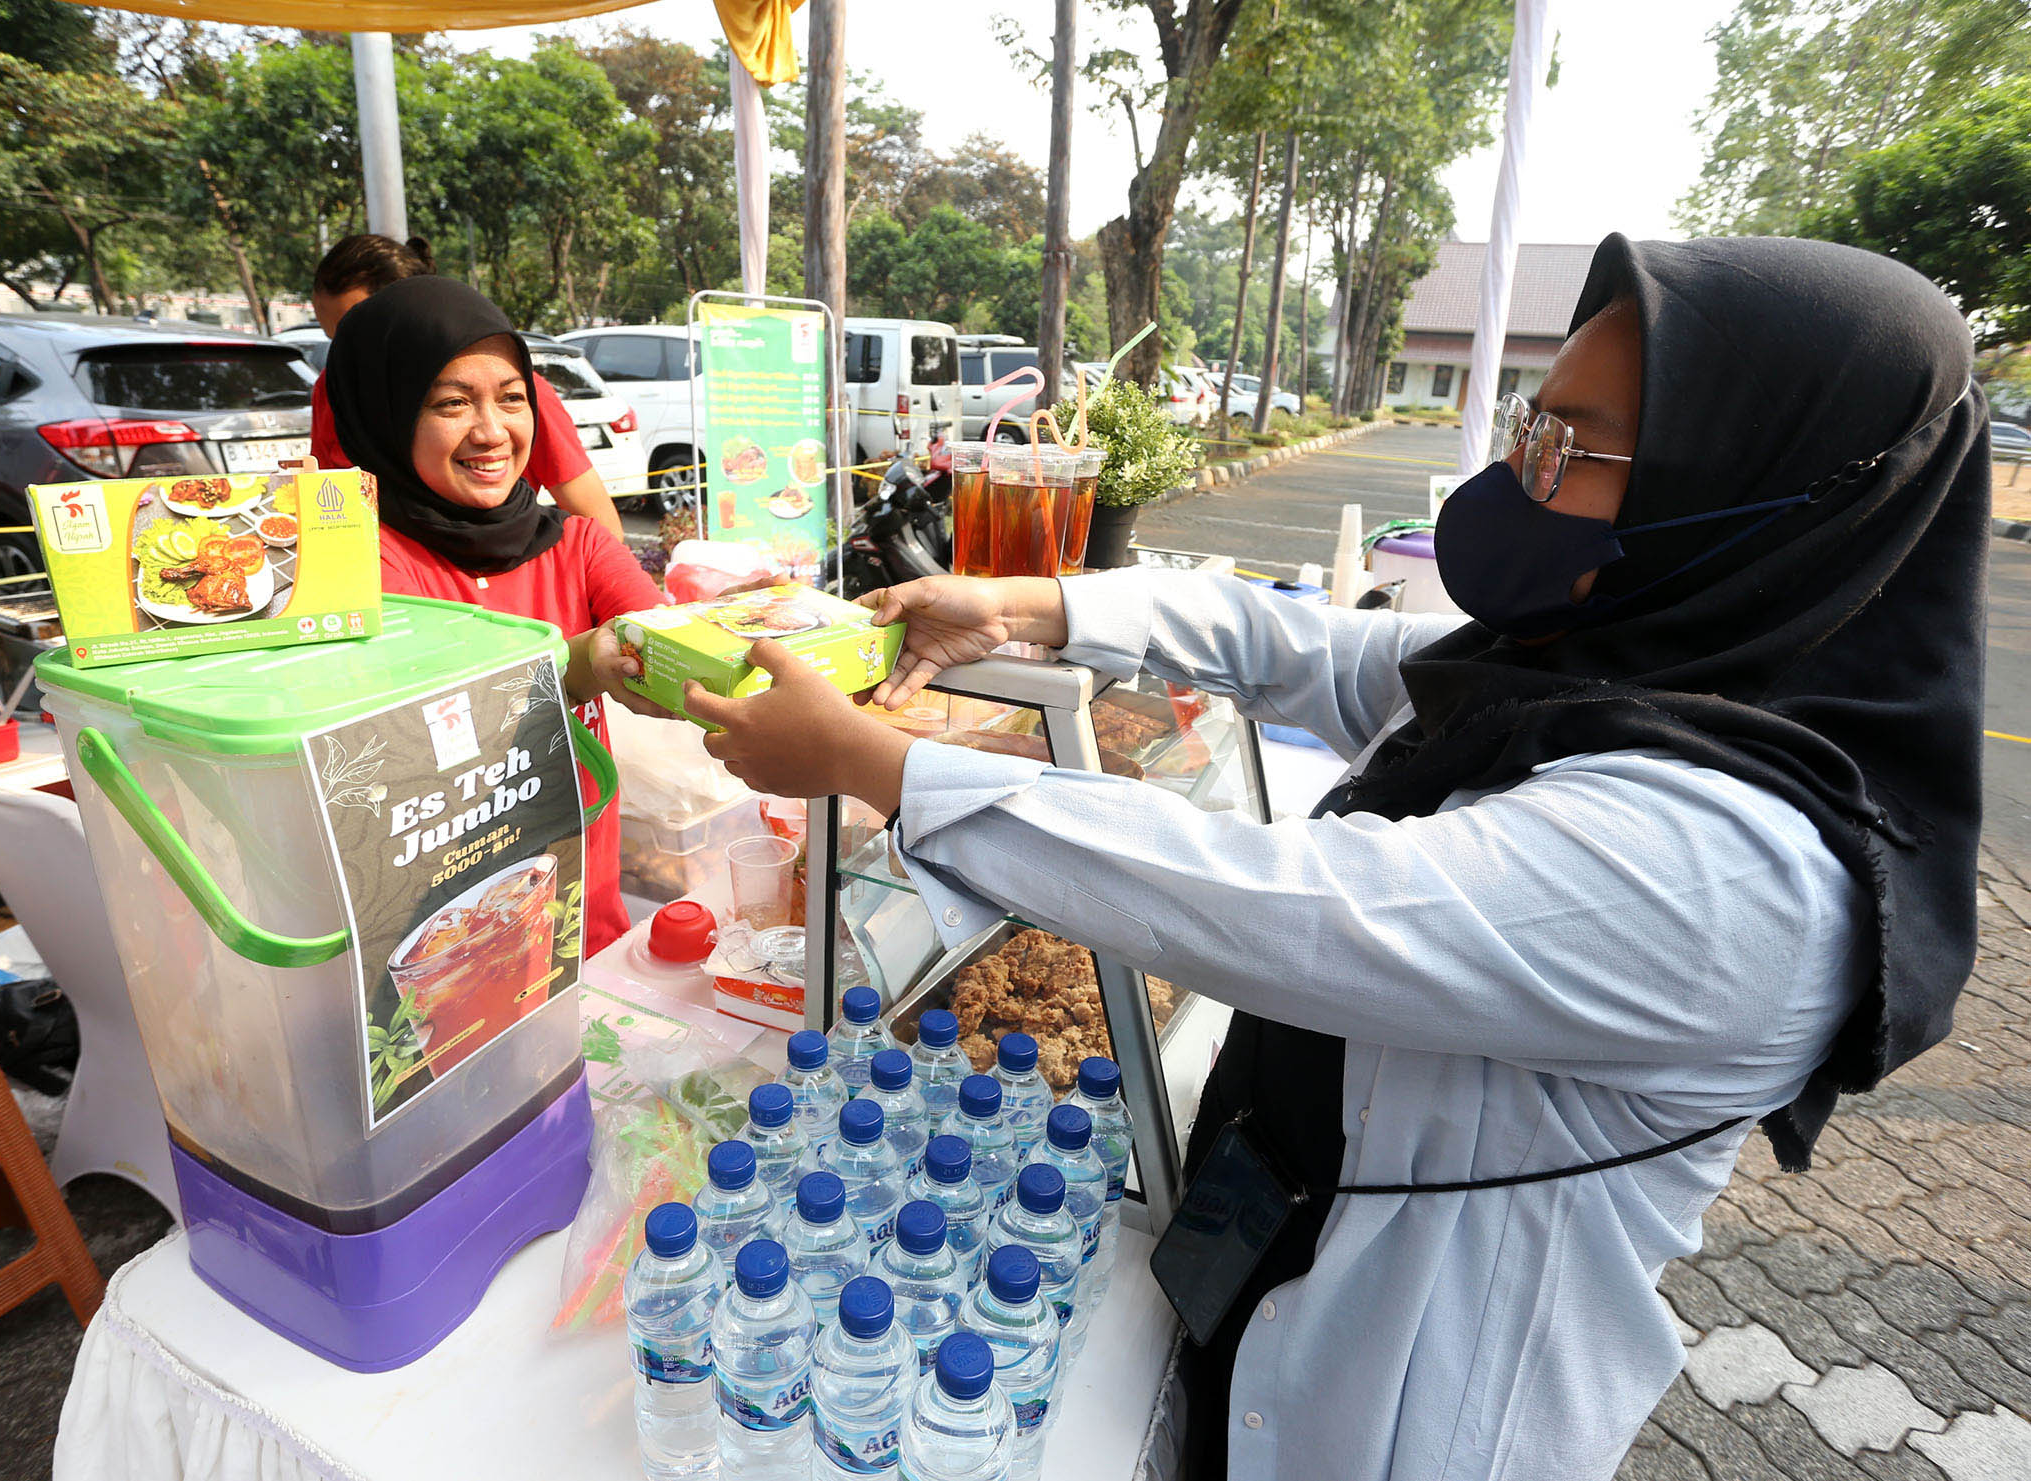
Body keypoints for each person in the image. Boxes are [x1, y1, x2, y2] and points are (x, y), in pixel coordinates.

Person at [675, 235, 1989, 1479]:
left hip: (1420, 1410)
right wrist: (1029, 604)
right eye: (1533, 421)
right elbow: (1300, 647)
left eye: (1568, 446)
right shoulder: (1599, 676)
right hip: (1291, 1250)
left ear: (1754, 490)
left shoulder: (1742, 870)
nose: (1524, 469)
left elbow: (1292, 910)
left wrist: (876, 765)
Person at [323, 274, 668, 957]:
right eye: (453, 403)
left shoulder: (578, 542)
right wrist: (575, 668)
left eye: (513, 399)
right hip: (444, 948)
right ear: (387, 415)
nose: (492, 432)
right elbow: (432, 725)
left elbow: (671, 645)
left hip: (584, 919)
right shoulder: (364, 567)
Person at [307, 234, 622, 540]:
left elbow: (603, 533)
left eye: (358, 335)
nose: (491, 434)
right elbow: (326, 507)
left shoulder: (524, 397)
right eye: (337, 343)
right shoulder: (334, 391)